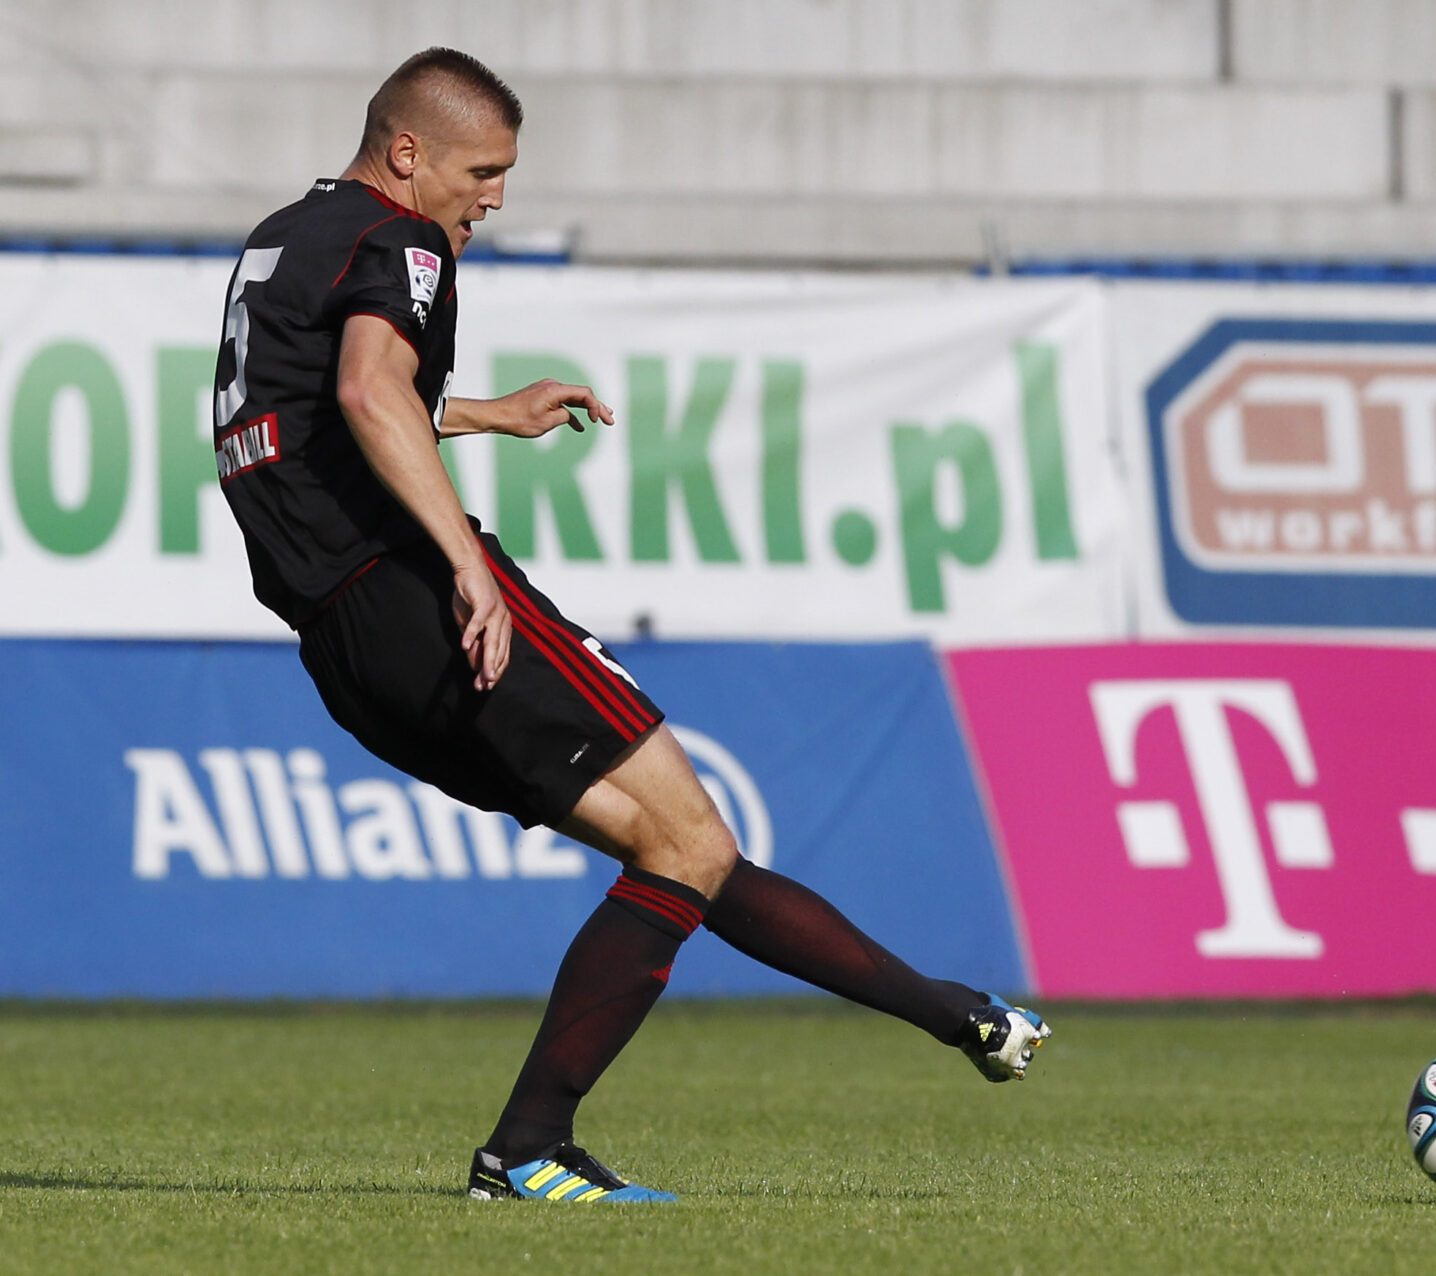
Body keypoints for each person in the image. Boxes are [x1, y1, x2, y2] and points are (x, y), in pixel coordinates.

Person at [211, 47, 1048, 1206]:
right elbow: (363, 389)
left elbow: (306, 411)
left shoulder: (283, 237)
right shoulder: (401, 239)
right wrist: (467, 564)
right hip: (413, 588)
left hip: (344, 641)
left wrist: (478, 412)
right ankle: (527, 1147)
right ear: (406, 153)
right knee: (689, 841)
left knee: (679, 853)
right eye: (481, 170)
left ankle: (958, 1014)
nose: (495, 196)